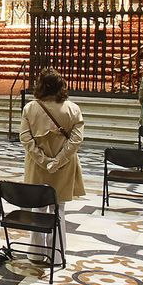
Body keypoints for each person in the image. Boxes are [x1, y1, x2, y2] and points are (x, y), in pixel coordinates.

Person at [21, 68, 86, 205]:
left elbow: (25, 138)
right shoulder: (73, 109)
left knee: (39, 205)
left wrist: (43, 161)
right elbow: (76, 140)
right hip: (64, 164)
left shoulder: (30, 108)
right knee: (59, 206)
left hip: (37, 164)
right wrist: (57, 162)